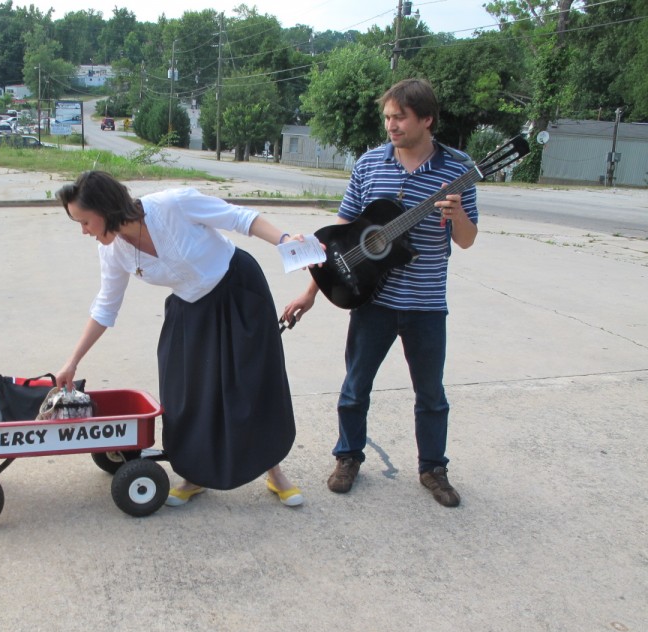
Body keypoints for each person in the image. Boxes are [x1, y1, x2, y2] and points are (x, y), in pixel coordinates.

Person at [283, 78, 478, 507]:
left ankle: (433, 468)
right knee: (355, 386)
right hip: (372, 300)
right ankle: (348, 457)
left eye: (400, 117)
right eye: (387, 116)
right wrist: (310, 293)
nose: (391, 125)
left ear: (426, 119)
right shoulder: (370, 164)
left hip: (426, 304)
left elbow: (466, 240)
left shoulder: (458, 169)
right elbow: (340, 238)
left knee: (431, 394)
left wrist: (458, 215)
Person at [55, 171, 303, 507]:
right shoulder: (113, 250)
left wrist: (284, 239)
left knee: (249, 385)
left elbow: (240, 218)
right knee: (184, 394)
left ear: (105, 209)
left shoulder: (173, 205)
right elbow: (105, 307)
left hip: (238, 292)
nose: (83, 231)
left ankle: (274, 472)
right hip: (189, 307)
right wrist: (73, 360)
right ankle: (194, 475)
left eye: (84, 221)